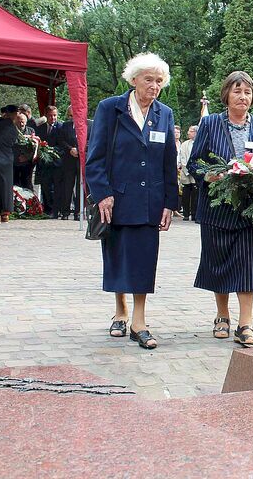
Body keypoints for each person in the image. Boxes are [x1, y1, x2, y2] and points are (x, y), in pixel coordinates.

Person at [86, 53, 179, 350]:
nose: (154, 86)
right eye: (149, 79)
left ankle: (139, 321)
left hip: (151, 200)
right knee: (117, 255)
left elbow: (169, 160)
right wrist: (103, 193)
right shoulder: (110, 109)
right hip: (117, 198)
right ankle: (120, 311)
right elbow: (95, 157)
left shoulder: (165, 114)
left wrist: (170, 202)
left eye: (159, 81)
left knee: (143, 259)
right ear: (134, 80)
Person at [188, 71, 253, 348]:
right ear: (226, 94)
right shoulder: (211, 124)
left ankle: (245, 324)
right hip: (217, 207)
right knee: (218, 264)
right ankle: (222, 316)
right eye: (237, 91)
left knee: (247, 265)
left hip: (249, 209)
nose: (243, 97)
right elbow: (194, 164)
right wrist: (210, 175)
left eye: (247, 92)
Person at [51, 107, 80, 220]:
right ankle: (65, 211)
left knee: (80, 187)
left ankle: (78, 212)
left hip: (82, 159)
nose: (72, 118)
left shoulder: (89, 125)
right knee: (67, 186)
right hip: (69, 160)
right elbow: (61, 140)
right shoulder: (65, 126)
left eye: (74, 115)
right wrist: (70, 149)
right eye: (70, 116)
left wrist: (80, 149)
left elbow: (91, 140)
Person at [35, 106, 61, 216]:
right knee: (45, 186)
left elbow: (63, 143)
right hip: (44, 163)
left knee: (55, 188)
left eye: (54, 115)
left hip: (56, 163)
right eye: (50, 115)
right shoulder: (40, 128)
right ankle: (46, 209)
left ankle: (55, 210)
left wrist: (52, 151)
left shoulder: (61, 127)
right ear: (46, 115)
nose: (53, 118)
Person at [13, 106, 37, 190]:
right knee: (14, 186)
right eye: (19, 122)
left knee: (27, 186)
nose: (21, 124)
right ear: (15, 122)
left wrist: (27, 157)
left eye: (23, 122)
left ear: (26, 122)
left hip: (27, 164)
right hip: (13, 164)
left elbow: (35, 147)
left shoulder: (31, 131)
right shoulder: (11, 132)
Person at [178, 125, 198, 221]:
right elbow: (182, 158)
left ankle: (194, 214)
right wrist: (187, 170)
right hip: (186, 173)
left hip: (196, 173)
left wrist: (195, 170)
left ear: (196, 132)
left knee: (195, 194)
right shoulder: (185, 144)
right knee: (185, 194)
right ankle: (186, 214)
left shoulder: (200, 143)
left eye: (190, 131)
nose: (188, 133)